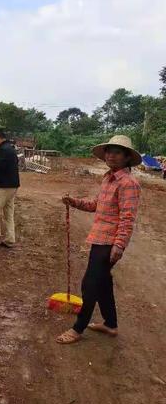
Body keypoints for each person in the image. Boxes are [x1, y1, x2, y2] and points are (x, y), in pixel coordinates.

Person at [56, 135, 142, 345]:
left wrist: (119, 245)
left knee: (90, 284)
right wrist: (74, 202)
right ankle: (110, 324)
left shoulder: (128, 183)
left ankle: (78, 328)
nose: (111, 156)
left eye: (117, 152)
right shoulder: (108, 178)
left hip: (109, 243)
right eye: (109, 151)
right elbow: (97, 205)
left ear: (127, 157)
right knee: (103, 283)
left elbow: (127, 218)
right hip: (99, 239)